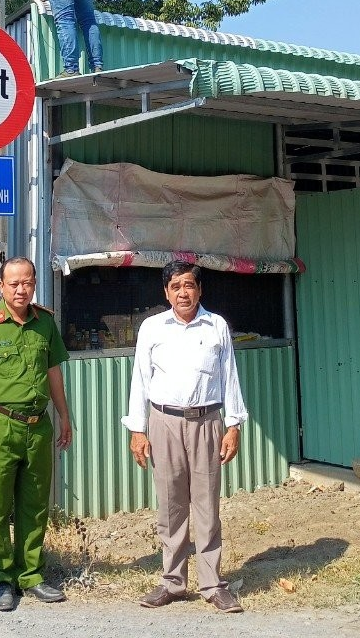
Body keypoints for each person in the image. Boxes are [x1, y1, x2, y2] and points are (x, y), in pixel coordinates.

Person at [122, 262, 248, 614]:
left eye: (189, 285)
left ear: (200, 290)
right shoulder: (152, 328)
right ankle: (173, 582)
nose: (183, 292)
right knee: (171, 503)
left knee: (207, 505)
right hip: (164, 422)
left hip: (207, 421)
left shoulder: (217, 326)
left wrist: (233, 425)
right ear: (166, 292)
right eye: (175, 286)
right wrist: (137, 429)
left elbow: (230, 377)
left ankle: (212, 584)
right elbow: (140, 380)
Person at [0, 257, 72, 611]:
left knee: (35, 504)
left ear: (34, 283)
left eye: (27, 282)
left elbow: (53, 371)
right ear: (2, 286)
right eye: (14, 284)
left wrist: (65, 416)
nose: (21, 289)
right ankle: (0, 577)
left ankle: (32, 574)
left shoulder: (45, 323)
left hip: (38, 426)